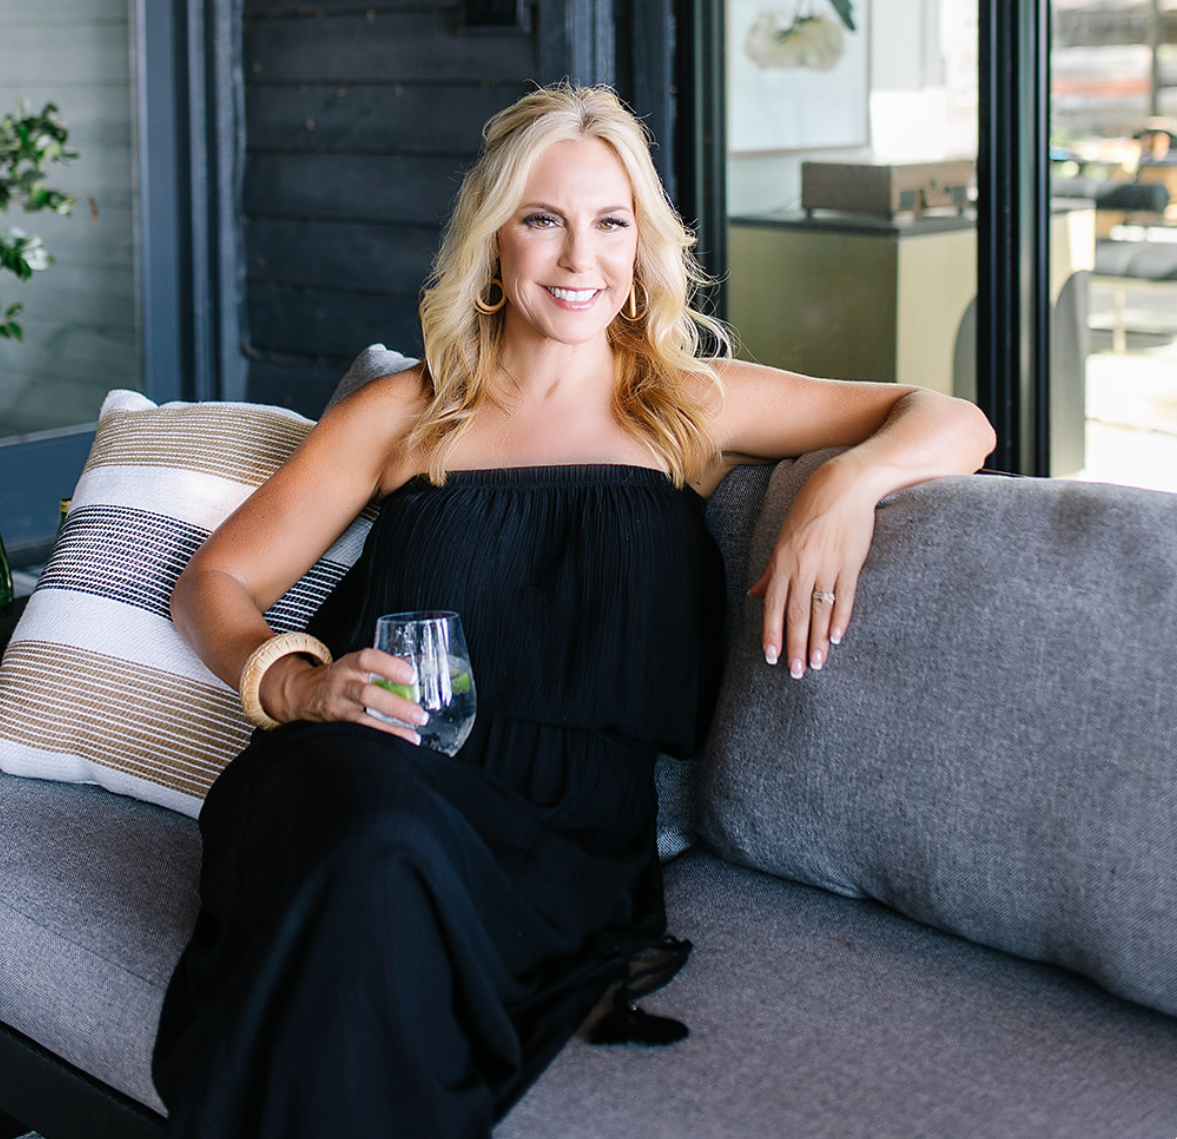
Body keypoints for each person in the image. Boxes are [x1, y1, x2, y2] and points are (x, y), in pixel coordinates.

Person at [151, 83, 995, 1137]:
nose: (578, 258)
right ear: (493, 239)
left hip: (565, 840)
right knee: (371, 837)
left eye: (610, 223)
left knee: (369, 901)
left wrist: (843, 484)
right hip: (360, 773)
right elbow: (213, 582)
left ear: (642, 246)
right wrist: (295, 682)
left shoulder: (685, 404)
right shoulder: (406, 413)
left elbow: (950, 416)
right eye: (543, 219)